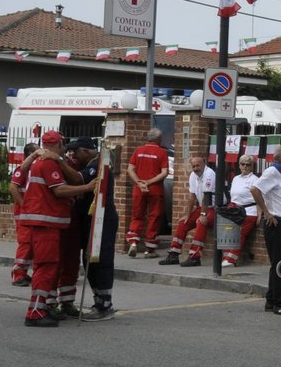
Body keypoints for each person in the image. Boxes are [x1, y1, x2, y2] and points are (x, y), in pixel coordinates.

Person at [17, 131, 96, 326]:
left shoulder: (44, 161)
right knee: (46, 267)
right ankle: (35, 311)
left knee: (50, 266)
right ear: (59, 144)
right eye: (63, 143)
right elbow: (59, 190)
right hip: (45, 223)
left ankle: (42, 307)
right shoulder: (48, 163)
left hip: (47, 222)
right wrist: (87, 188)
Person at [64, 136, 118, 319]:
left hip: (102, 218)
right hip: (89, 218)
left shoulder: (98, 164)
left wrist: (57, 161)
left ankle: (104, 304)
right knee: (89, 260)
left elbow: (80, 179)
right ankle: (98, 300)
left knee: (100, 260)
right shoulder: (90, 163)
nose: (74, 155)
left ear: (86, 151)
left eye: (76, 151)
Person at [252, 145, 281, 315]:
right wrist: (266, 211)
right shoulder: (272, 172)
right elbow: (255, 189)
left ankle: (271, 300)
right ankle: (279, 302)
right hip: (277, 223)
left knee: (277, 263)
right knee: (280, 264)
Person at [159, 155, 215, 266]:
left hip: (214, 208)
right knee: (182, 223)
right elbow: (191, 196)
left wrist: (203, 215)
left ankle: (195, 257)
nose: (195, 168)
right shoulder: (193, 175)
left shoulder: (210, 174)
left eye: (198, 165)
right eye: (193, 166)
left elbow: (206, 197)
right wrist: (187, 215)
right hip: (201, 207)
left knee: (201, 222)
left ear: (204, 164)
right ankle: (173, 255)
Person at [125, 127, 169, 258]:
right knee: (154, 216)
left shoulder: (138, 151)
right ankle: (149, 249)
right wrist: (149, 183)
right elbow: (164, 172)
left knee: (137, 216)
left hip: (139, 190)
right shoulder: (161, 152)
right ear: (159, 139)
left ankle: (133, 242)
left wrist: (139, 183)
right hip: (155, 190)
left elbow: (130, 169)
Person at [7, 141, 39, 286]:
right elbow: (13, 188)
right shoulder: (22, 170)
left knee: (31, 244)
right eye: (35, 152)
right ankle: (17, 274)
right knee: (25, 244)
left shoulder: (34, 169)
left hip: (29, 214)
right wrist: (23, 206)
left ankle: (23, 272)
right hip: (23, 215)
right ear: (29, 155)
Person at [222, 154, 259, 267]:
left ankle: (232, 259)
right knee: (225, 229)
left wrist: (259, 215)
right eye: (243, 164)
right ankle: (226, 256)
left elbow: (259, 199)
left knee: (238, 232)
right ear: (239, 165)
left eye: (248, 164)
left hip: (249, 211)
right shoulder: (236, 178)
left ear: (252, 166)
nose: (245, 167)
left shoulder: (255, 180)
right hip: (235, 210)